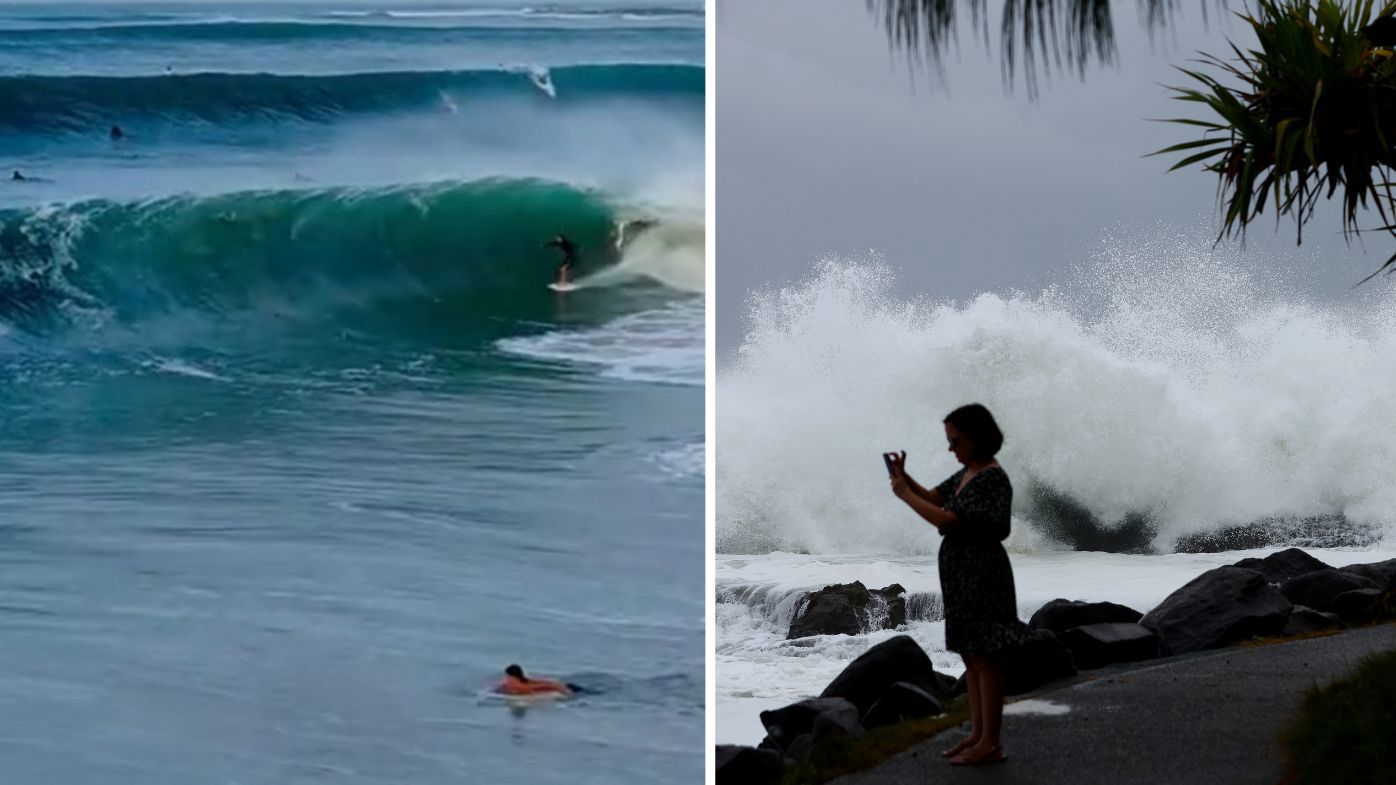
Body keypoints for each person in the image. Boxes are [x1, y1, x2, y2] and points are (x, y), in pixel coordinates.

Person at [886, 403, 1027, 766]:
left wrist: (904, 495)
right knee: (970, 653)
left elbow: (949, 520)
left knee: (985, 656)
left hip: (983, 574)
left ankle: (990, 743)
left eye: (955, 440)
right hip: (962, 574)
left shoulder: (992, 477)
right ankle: (978, 736)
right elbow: (935, 498)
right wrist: (906, 477)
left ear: (977, 437)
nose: (951, 448)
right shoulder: (968, 473)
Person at [496, 664, 577, 697]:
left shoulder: (521, 686)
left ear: (513, 677)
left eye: (508, 676)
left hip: (568, 689)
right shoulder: (524, 681)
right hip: (567, 686)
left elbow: (538, 687)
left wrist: (559, 687)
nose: (506, 678)